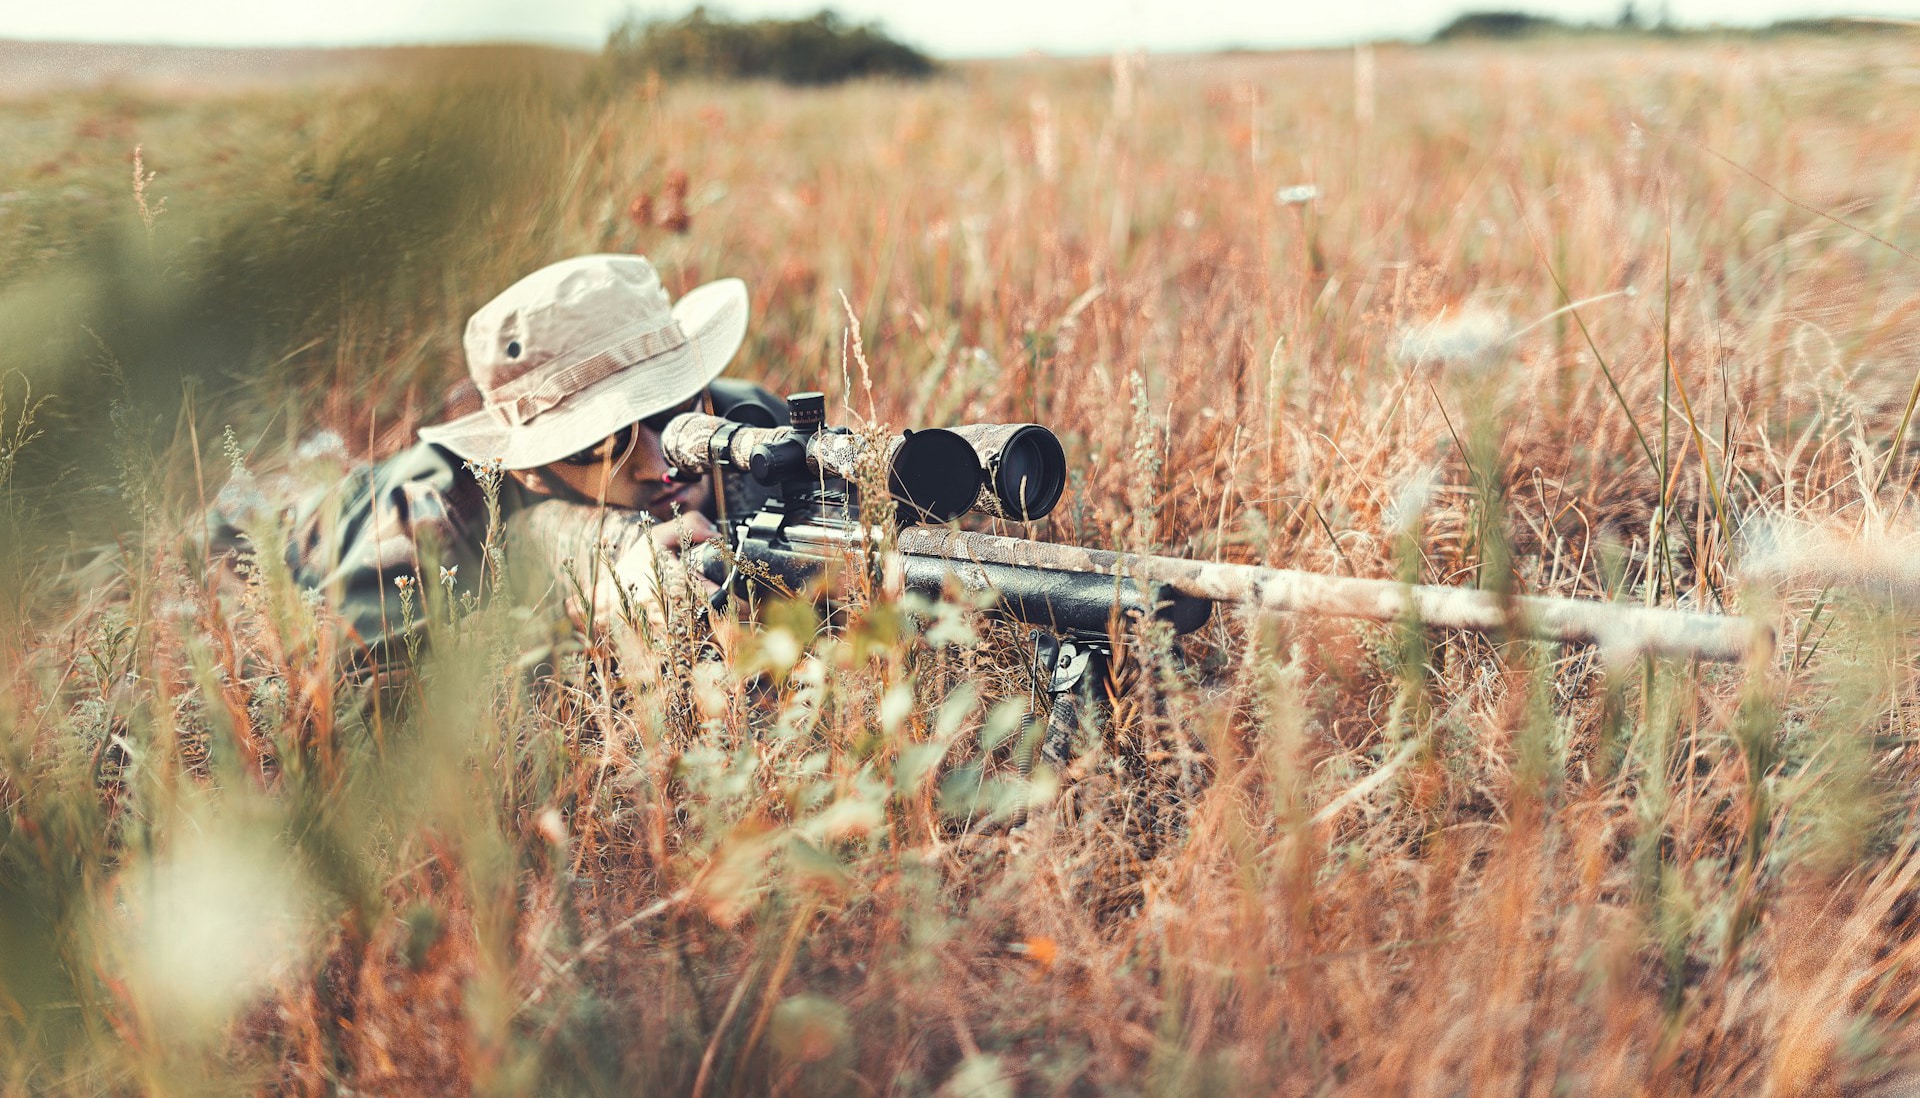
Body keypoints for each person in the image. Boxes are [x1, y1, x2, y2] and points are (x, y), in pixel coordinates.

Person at [253, 253, 786, 669]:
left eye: (670, 407)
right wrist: (583, 615)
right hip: (286, 525)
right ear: (530, 468)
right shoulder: (430, 511)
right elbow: (344, 685)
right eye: (601, 442)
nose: (658, 463)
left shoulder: (739, 418)